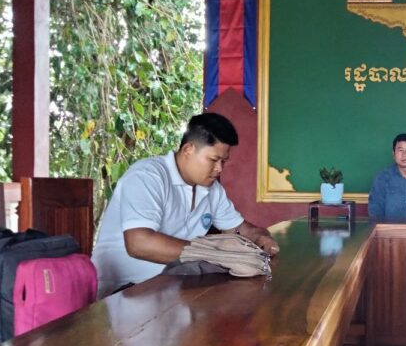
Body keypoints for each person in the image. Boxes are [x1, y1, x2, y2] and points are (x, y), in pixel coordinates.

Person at [92, 112, 279, 298]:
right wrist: (213, 252)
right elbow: (138, 243)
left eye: (223, 161)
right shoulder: (147, 176)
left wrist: (260, 236)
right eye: (214, 160)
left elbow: (239, 228)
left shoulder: (211, 189)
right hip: (122, 292)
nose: (219, 168)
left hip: (172, 286)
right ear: (188, 149)